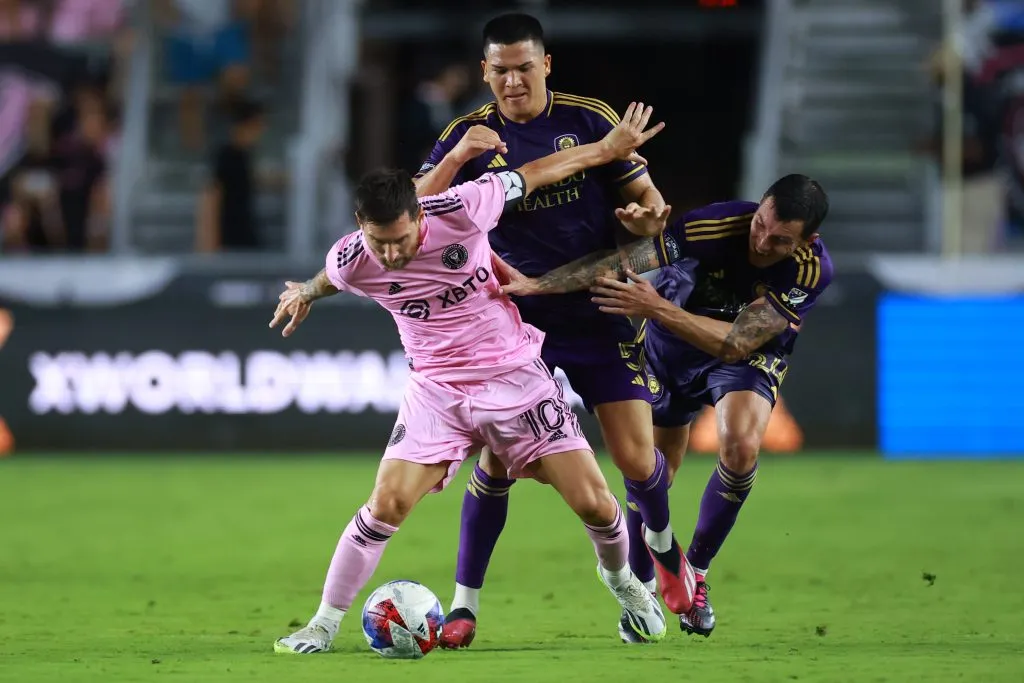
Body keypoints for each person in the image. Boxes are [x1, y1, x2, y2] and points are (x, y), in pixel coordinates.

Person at [269, 102, 669, 655]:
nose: (391, 254)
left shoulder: (461, 208)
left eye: (401, 240)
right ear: (362, 228)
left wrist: (606, 150)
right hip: (435, 392)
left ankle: (623, 582)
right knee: (385, 504)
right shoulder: (354, 257)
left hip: (514, 378)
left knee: (598, 505)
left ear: (420, 216)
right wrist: (306, 292)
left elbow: (535, 174)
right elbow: (331, 275)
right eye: (379, 242)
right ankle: (322, 623)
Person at [413, 12, 693, 647]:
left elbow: (650, 205)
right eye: (500, 70)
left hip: (599, 309)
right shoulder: (467, 134)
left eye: (524, 67)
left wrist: (646, 221)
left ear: (546, 65)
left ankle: (661, 550)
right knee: (497, 462)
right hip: (516, 322)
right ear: (485, 73)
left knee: (634, 458)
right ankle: (464, 608)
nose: (512, 81)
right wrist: (457, 155)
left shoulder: (589, 121)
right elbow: (410, 209)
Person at [501, 174, 833, 638]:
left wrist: (656, 308)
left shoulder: (810, 269)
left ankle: (692, 572)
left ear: (808, 240)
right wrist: (541, 284)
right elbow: (623, 260)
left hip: (739, 354)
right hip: (668, 349)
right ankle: (641, 592)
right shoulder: (710, 227)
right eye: (760, 224)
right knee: (652, 471)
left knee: (740, 448)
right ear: (758, 208)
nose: (762, 241)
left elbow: (737, 343)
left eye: (780, 239)